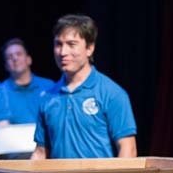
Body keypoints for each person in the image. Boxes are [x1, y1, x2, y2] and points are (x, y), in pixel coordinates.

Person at [31, 14, 137, 159]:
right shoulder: (48, 97)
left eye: (71, 44)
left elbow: (128, 149)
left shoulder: (112, 93)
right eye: (58, 44)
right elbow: (41, 152)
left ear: (89, 48)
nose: (63, 52)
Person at [0, 38, 55, 124]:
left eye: (19, 54)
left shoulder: (49, 86)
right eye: (9, 57)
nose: (15, 58)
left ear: (29, 59)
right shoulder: (1, 91)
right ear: (6, 66)